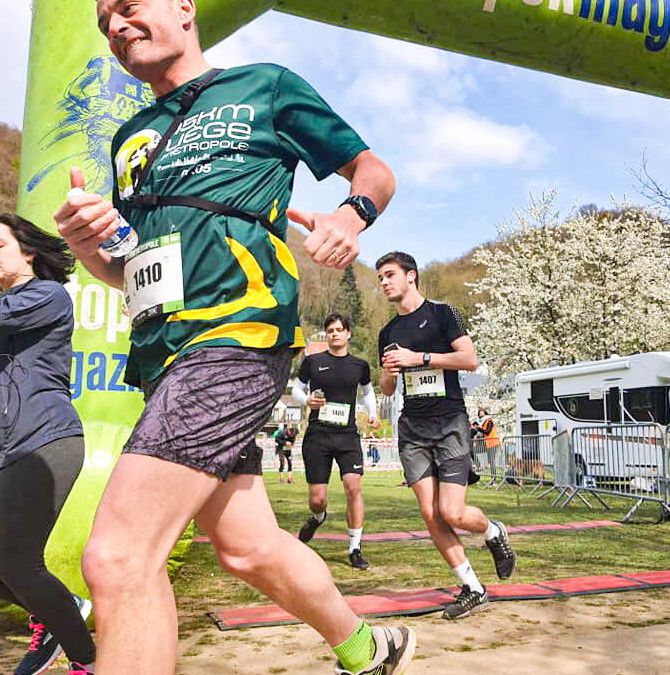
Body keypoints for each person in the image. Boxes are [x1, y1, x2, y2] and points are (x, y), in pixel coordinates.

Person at [53, 1, 414, 674]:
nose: (115, 25)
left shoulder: (264, 87)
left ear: (183, 8)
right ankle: (370, 649)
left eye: (127, 6)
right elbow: (129, 268)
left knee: (119, 557)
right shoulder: (131, 135)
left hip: (238, 338)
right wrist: (90, 249)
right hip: (166, 356)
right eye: (105, 20)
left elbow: (374, 171)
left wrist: (351, 212)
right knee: (246, 546)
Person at [0, 214, 96, 675]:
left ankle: (85, 661)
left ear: (29, 252)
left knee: (16, 562)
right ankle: (56, 605)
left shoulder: (47, 296)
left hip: (43, 443)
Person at [376, 251, 517, 620]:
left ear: (412, 276)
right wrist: (391, 371)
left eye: (390, 275)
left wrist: (419, 358)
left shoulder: (442, 314)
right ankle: (472, 586)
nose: (385, 282)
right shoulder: (387, 334)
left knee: (451, 511)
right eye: (380, 278)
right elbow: (388, 388)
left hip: (450, 422)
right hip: (413, 429)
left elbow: (469, 360)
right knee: (429, 513)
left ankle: (492, 531)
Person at [292, 313, 378, 570]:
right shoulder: (313, 361)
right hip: (318, 435)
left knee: (354, 488)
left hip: (347, 435)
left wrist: (373, 414)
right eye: (330, 330)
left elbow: (367, 392)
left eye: (339, 329)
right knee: (317, 499)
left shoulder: (360, 365)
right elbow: (297, 388)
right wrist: (306, 400)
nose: (335, 334)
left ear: (348, 333)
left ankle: (355, 547)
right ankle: (318, 517)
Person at [477, 409, 502, 483]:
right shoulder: (483, 422)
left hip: (493, 443)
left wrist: (478, 428)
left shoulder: (489, 421)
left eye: (482, 414)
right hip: (488, 444)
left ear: (485, 414)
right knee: (490, 461)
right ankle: (492, 478)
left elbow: (487, 432)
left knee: (491, 461)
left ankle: (493, 479)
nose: (481, 416)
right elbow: (484, 433)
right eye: (480, 414)